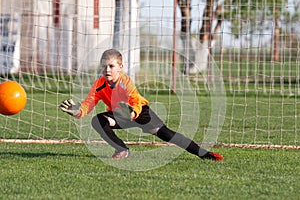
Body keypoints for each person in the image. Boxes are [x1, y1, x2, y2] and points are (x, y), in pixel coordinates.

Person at [59, 49, 224, 161]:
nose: (107, 70)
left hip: (141, 114)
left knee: (168, 135)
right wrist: (78, 111)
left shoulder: (125, 81)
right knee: (98, 121)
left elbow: (136, 100)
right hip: (120, 115)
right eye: (104, 66)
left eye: (111, 66)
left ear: (120, 67)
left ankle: (204, 154)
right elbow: (88, 104)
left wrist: (132, 113)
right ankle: (122, 150)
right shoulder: (99, 85)